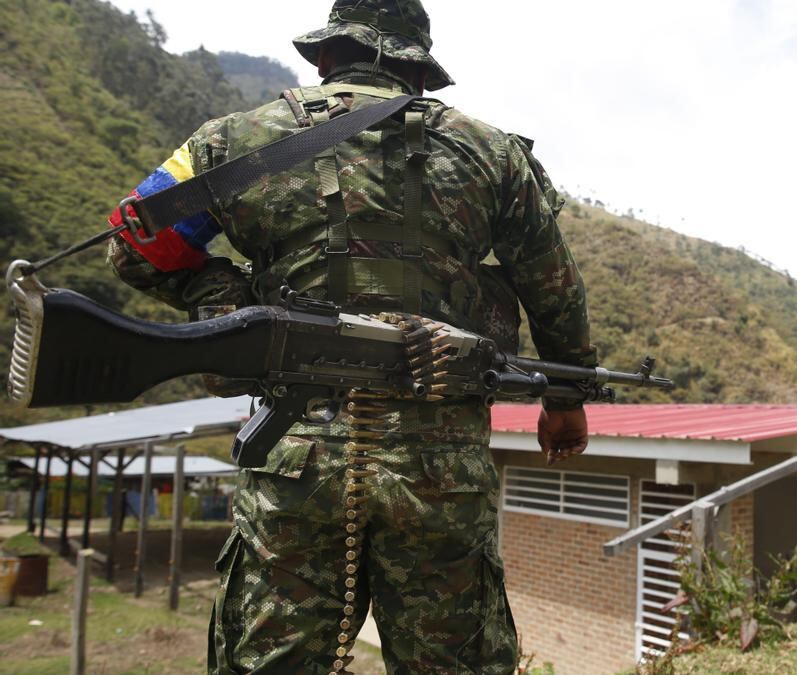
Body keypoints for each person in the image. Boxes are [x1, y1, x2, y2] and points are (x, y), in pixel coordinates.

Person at [105, 1, 596, 672]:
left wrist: (232, 298)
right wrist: (565, 399)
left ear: (327, 57)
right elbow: (553, 289)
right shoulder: (495, 155)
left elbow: (134, 244)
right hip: (440, 469)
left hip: (292, 455)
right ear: (417, 71)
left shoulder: (233, 141)